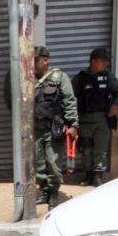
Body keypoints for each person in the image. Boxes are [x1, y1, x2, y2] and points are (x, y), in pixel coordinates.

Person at [31, 46, 78, 208]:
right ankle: (44, 191)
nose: (32, 63)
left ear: (45, 60)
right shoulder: (29, 79)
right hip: (36, 129)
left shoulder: (59, 78)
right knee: (39, 163)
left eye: (35, 60)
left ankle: (53, 192)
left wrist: (73, 124)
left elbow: (69, 101)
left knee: (53, 162)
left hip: (54, 128)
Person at [71, 48, 118, 186]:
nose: (106, 64)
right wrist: (72, 121)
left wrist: (115, 105)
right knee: (86, 149)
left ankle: (98, 176)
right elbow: (70, 97)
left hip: (102, 119)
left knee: (100, 149)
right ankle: (88, 175)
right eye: (103, 61)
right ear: (94, 61)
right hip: (84, 119)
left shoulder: (108, 77)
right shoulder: (81, 78)